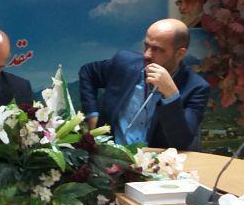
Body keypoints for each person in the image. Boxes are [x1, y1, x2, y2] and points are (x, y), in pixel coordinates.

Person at [78, 18, 210, 150]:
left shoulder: (196, 88)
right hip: (109, 154)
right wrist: (92, 115)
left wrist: (171, 96)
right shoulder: (124, 63)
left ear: (180, 54)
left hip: (154, 160)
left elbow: (180, 143)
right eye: (146, 46)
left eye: (157, 49)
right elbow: (87, 72)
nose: (146, 55)